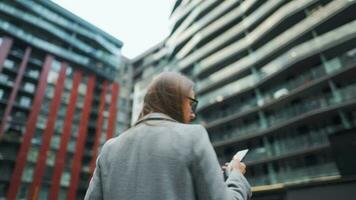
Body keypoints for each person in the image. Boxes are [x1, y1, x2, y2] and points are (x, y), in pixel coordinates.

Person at [84, 71, 252, 200]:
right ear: (176, 100)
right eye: (191, 104)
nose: (193, 114)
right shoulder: (193, 136)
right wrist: (236, 175)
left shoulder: (110, 148)